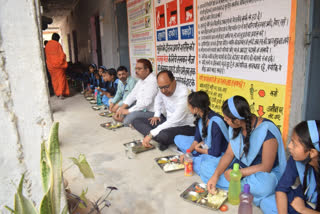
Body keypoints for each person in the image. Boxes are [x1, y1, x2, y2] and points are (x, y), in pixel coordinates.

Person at [206, 96, 287, 209]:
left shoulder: (267, 130)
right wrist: (215, 176)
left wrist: (238, 174)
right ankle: (238, 188)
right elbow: (229, 154)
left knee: (264, 186)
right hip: (240, 168)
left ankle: (233, 187)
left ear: (237, 121)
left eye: (227, 119)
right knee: (208, 166)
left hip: (262, 173)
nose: (225, 120)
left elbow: (266, 166)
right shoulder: (234, 127)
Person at [260, 120, 320, 214]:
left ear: (312, 152)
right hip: (302, 200)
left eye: (294, 144)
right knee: (267, 202)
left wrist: (303, 210)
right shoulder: (296, 158)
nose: (289, 146)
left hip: (307, 208)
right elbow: (281, 189)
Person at [131, 70, 195, 151]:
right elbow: (158, 99)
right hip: (167, 122)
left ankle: (156, 137)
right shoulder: (163, 89)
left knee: (162, 135)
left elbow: (174, 120)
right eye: (160, 88)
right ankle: (158, 137)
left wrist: (151, 134)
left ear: (174, 81)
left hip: (184, 126)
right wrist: (156, 115)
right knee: (136, 121)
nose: (164, 91)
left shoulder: (184, 94)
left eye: (166, 87)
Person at [174, 91, 229, 176]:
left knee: (200, 166)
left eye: (189, 105)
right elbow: (196, 139)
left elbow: (216, 152)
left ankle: (197, 158)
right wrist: (187, 153)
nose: (188, 107)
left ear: (196, 109)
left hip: (219, 153)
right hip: (205, 146)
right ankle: (194, 156)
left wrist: (198, 150)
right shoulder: (201, 118)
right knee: (177, 138)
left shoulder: (215, 122)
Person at [114, 59, 158, 126]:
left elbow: (146, 103)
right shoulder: (141, 81)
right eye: (136, 69)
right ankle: (129, 122)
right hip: (141, 109)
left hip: (151, 112)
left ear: (147, 70)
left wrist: (127, 111)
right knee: (123, 110)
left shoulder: (152, 81)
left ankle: (127, 122)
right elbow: (132, 95)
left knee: (131, 116)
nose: (136, 71)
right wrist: (122, 108)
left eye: (139, 69)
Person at [45, 33, 69, 99]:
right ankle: (61, 93)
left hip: (51, 66)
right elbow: (61, 55)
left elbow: (47, 56)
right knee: (61, 79)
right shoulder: (57, 44)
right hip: (58, 66)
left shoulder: (47, 45)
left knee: (54, 80)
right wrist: (62, 61)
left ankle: (57, 93)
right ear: (57, 39)